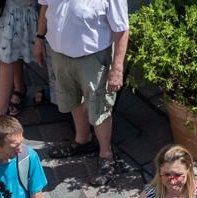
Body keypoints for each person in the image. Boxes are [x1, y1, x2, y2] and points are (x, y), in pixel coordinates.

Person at [34, 0, 129, 183]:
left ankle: (106, 155)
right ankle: (83, 140)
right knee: (73, 98)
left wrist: (117, 68)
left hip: (93, 58)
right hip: (60, 55)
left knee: (99, 106)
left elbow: (122, 30)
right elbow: (46, 7)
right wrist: (39, 39)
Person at [0, 0, 42, 118]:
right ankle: (19, 89)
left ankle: (1, 112)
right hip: (5, 9)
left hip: (19, 10)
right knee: (12, 52)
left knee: (5, 59)